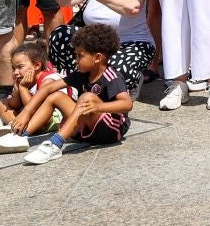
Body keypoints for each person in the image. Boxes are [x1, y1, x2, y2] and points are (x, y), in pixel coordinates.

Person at [49, 0, 156, 95]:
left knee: (114, 71)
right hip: (96, 44)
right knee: (61, 34)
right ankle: (79, 80)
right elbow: (61, 0)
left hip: (131, 43)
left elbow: (132, 8)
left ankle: (130, 83)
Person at [20, 24, 133, 165]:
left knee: (87, 98)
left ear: (97, 57)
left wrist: (98, 107)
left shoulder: (111, 76)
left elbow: (127, 104)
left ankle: (55, 145)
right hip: (87, 127)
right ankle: (21, 135)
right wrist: (26, 113)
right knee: (55, 96)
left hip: (110, 130)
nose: (76, 60)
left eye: (80, 55)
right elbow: (47, 88)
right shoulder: (82, 74)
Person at [0, 41, 68, 154]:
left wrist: (23, 88)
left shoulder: (48, 80)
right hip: (30, 114)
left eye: (20, 67)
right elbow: (14, 105)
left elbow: (34, 109)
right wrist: (17, 91)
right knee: (2, 103)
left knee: (28, 111)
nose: (16, 72)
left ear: (37, 65)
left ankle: (17, 129)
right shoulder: (22, 79)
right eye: (13, 68)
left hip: (51, 118)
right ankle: (14, 125)